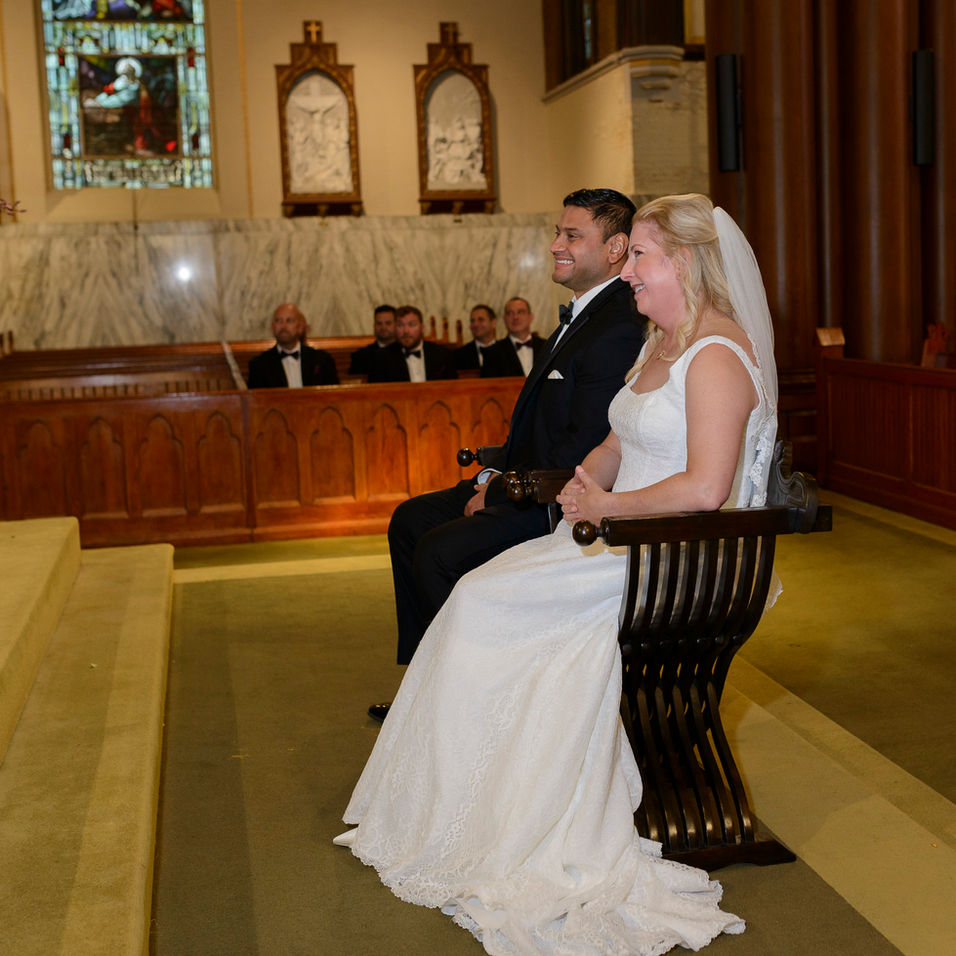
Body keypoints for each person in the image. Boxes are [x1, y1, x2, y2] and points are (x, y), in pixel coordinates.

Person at [336, 194, 778, 954]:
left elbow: (705, 489)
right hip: (618, 534)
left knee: (485, 607)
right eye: (632, 253)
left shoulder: (715, 354)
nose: (629, 270)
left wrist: (609, 506)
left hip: (674, 561)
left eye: (641, 255)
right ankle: (467, 810)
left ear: (685, 261)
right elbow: (616, 436)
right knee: (475, 593)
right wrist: (584, 478)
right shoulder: (661, 342)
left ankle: (517, 820)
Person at [374, 187, 646, 713]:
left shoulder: (616, 329)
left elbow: (584, 446)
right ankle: (429, 684)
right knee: (409, 520)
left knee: (438, 552)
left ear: (614, 249)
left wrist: (500, 492)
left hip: (550, 500)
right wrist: (490, 474)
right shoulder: (583, 316)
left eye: (572, 235)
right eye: (556, 233)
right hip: (518, 478)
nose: (555, 245)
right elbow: (535, 427)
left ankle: (471, 699)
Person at [246, 303, 339, 388]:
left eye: (289, 320)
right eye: (278, 320)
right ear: (273, 327)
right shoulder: (259, 364)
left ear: (299, 326)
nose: (283, 326)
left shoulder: (322, 360)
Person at [366, 305, 458, 383]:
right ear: (395, 329)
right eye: (400, 325)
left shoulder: (442, 354)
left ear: (422, 328)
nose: (406, 331)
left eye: (411, 325)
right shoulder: (381, 358)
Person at [480, 296, 546, 377]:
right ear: (504, 319)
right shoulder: (492, 353)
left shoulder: (548, 347)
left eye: (520, 312)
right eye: (510, 313)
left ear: (531, 317)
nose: (515, 317)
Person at [348, 305, 396, 376]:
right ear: (374, 325)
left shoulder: (406, 353)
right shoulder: (360, 357)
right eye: (379, 323)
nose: (383, 327)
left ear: (397, 325)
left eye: (388, 323)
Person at [453, 304, 499, 371]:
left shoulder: (507, 352)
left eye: (481, 320)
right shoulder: (459, 355)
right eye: (472, 321)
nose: (475, 324)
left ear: (493, 323)